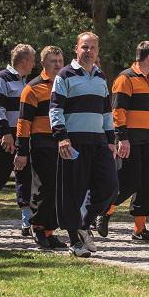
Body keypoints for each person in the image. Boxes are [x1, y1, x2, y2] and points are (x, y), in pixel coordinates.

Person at [51, 32, 119, 247]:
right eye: (84, 47)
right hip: (73, 142)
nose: (88, 52)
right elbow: (55, 110)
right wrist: (62, 137)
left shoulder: (100, 76)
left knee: (110, 186)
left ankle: (85, 223)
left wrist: (111, 139)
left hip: (98, 141)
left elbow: (107, 113)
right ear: (76, 49)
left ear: (98, 51)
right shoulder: (65, 75)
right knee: (73, 192)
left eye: (92, 48)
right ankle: (74, 242)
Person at [103, 41, 149, 243]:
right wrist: (122, 137)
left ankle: (139, 230)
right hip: (128, 141)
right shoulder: (125, 79)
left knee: (147, 185)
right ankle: (104, 211)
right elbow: (118, 111)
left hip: (147, 141)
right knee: (127, 182)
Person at [15, 46, 70, 251]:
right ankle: (37, 226)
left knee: (58, 188)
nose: (57, 64)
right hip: (41, 143)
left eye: (60, 60)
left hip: (62, 142)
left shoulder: (65, 85)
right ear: (43, 63)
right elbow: (23, 122)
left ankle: (49, 231)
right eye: (53, 61)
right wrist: (21, 151)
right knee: (45, 187)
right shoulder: (32, 88)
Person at [0, 44, 35, 233]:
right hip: (7, 136)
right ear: (24, 61)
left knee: (25, 175)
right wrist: (5, 134)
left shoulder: (26, 82)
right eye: (33, 60)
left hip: (23, 135)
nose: (34, 64)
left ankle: (27, 220)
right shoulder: (1, 79)